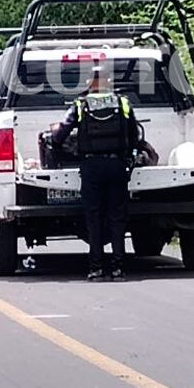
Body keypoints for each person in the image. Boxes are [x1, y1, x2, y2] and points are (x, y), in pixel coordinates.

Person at [52, 63, 140, 282]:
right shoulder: (123, 103)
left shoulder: (80, 105)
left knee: (94, 217)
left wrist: (60, 146)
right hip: (117, 165)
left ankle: (96, 269)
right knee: (117, 217)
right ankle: (118, 269)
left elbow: (61, 134)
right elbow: (134, 133)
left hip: (92, 166)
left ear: (90, 83)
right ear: (109, 82)